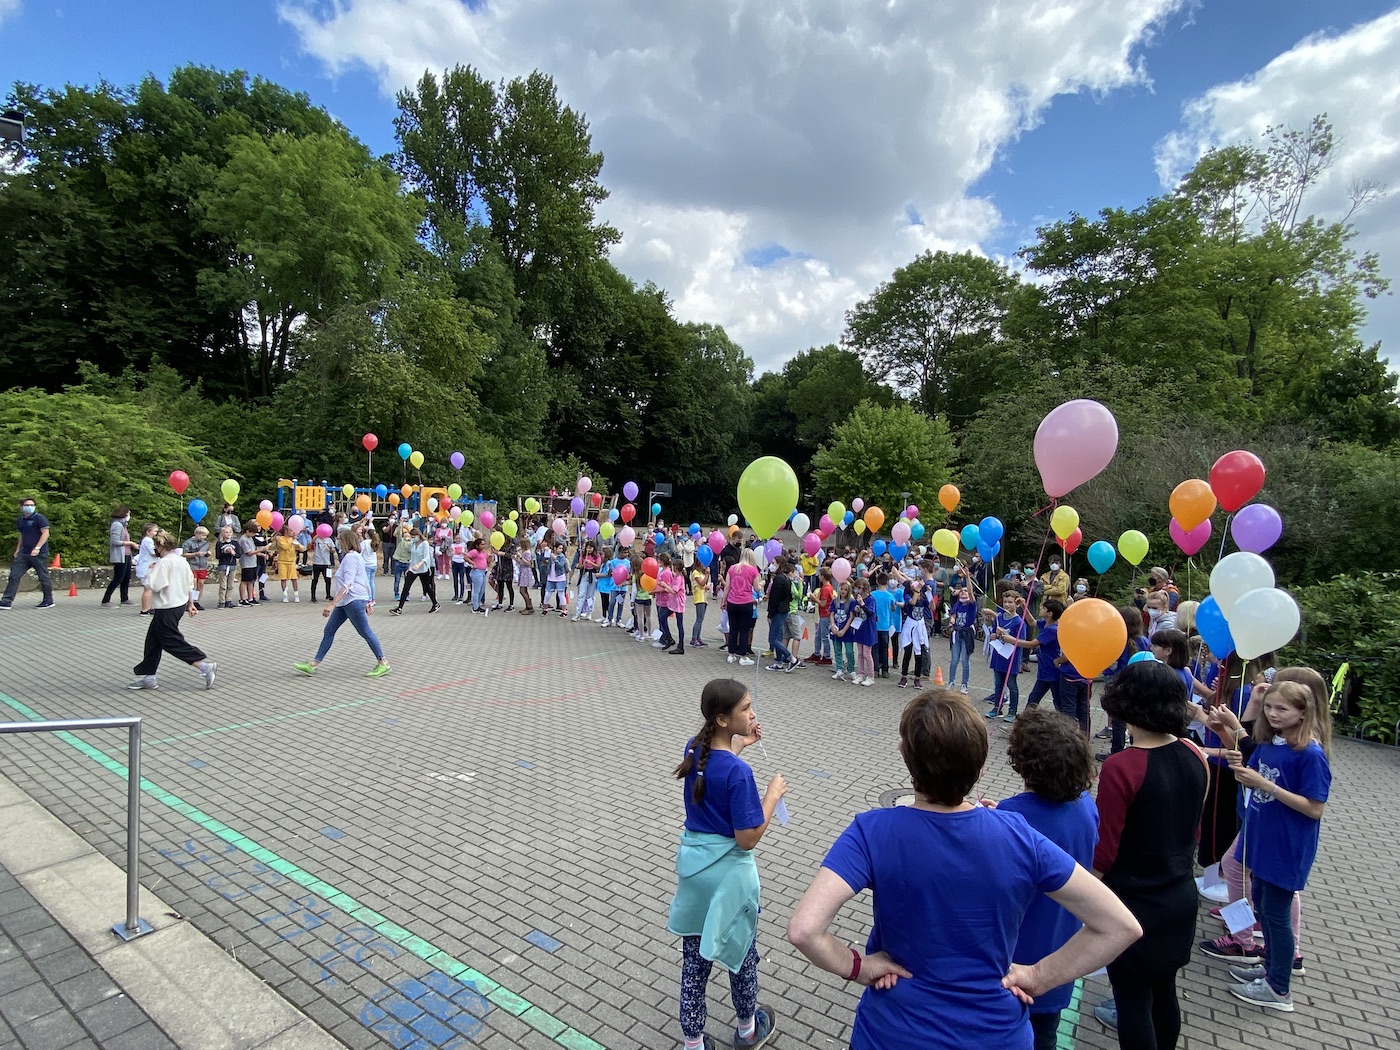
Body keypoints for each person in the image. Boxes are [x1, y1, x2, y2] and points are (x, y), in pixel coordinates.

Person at [786, 689, 1140, 1050]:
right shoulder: (1019, 836)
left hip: (896, 1031)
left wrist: (858, 967)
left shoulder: (871, 831)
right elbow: (1120, 926)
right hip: (995, 1034)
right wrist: (1039, 976)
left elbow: (804, 930)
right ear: (982, 766)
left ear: (904, 755)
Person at [667, 679, 787, 1050]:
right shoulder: (739, 774)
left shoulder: (695, 747)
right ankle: (748, 1030)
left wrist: (741, 745)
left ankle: (693, 1043)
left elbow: (718, 761)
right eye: (746, 708)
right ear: (722, 719)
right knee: (741, 954)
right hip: (730, 876)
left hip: (695, 869)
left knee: (694, 961)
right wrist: (772, 796)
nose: (753, 714)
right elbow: (747, 837)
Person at [1094, 661, 1208, 1050]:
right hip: (1179, 894)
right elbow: (1192, 829)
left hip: (1133, 902)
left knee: (1131, 1002)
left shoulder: (1120, 767)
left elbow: (1105, 850)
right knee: (1164, 991)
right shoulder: (1195, 754)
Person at [1219, 679, 1331, 1013]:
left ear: (1302, 712)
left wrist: (1266, 784)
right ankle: (1270, 970)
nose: (1273, 714)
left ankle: (1279, 987)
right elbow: (1254, 776)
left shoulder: (1309, 754)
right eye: (1269, 707)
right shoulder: (1270, 743)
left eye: (1281, 708)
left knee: (1277, 916)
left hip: (1286, 846)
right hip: (1260, 839)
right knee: (1264, 908)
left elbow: (1314, 807)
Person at [997, 709, 1100, 1050]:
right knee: (1046, 1035)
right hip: (1061, 951)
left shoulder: (1011, 818)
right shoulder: (1086, 805)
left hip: (1016, 957)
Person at [294, 529, 390, 679]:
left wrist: (332, 603)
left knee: (365, 632)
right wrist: (367, 599)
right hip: (347, 602)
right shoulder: (353, 557)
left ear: (346, 541)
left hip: (352, 601)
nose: (338, 541)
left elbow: (348, 584)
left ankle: (383, 662)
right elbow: (363, 580)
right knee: (329, 631)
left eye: (339, 539)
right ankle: (313, 664)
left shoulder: (351, 558)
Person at [128, 530, 217, 691]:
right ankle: (149, 676)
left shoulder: (165, 563)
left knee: (170, 640)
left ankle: (204, 666)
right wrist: (191, 603)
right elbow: (189, 583)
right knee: (153, 641)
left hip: (167, 606)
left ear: (161, 546)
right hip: (179, 604)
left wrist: (150, 571)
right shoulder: (181, 560)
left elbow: (154, 585)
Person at [987, 590, 1028, 719]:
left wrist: (1007, 636)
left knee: (1011, 684)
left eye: (1010, 602)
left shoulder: (1019, 622)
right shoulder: (999, 618)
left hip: (1011, 658)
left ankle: (1012, 710)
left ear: (1016, 604)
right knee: (998, 683)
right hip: (999, 656)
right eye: (1005, 602)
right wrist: (993, 635)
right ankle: (997, 708)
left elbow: (1022, 641)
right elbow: (993, 635)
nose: (1007, 605)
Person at [723, 549, 760, 666]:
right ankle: (743, 656)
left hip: (732, 602)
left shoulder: (732, 568)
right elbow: (757, 588)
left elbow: (727, 587)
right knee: (744, 630)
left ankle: (731, 654)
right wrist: (761, 584)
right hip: (746, 602)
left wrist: (724, 601)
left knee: (733, 628)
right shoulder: (753, 570)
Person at [391, 529, 439, 614]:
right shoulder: (413, 544)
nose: (413, 539)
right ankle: (399, 608)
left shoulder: (425, 544)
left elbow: (426, 557)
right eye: (411, 537)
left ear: (418, 535)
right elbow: (412, 557)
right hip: (413, 569)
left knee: (427, 587)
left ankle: (435, 603)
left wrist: (419, 564)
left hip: (423, 569)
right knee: (406, 587)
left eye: (414, 537)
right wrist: (410, 568)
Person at [100, 505, 139, 608]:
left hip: (126, 554)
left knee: (126, 577)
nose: (129, 516)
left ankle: (124, 598)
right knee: (118, 578)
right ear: (124, 514)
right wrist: (130, 543)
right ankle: (106, 600)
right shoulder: (117, 525)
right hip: (120, 555)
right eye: (129, 514)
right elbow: (115, 541)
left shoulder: (123, 525)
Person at [764, 557, 797, 672]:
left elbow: (775, 598)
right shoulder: (785, 578)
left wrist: (770, 614)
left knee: (773, 639)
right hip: (783, 610)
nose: (771, 565)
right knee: (778, 636)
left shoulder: (779, 579)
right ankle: (778, 662)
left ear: (779, 564)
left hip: (778, 611)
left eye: (773, 563)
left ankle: (791, 658)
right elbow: (789, 596)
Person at [898, 578, 931, 689]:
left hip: (920, 626)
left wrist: (929, 593)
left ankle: (917, 678)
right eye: (912, 583)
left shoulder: (923, 596)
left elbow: (932, 607)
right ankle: (903, 676)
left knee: (919, 653)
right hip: (910, 625)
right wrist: (917, 590)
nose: (914, 583)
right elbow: (912, 602)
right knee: (907, 652)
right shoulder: (907, 595)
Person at [946, 585, 978, 694]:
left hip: (967, 634)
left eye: (966, 591)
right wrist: (952, 620)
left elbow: (971, 594)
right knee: (954, 660)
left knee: (965, 661)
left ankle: (964, 684)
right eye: (962, 591)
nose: (964, 592)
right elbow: (953, 615)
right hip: (957, 633)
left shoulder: (971, 605)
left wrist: (968, 577)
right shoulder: (957, 604)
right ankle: (951, 682)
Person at [829, 579, 857, 683]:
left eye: (846, 589)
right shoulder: (835, 600)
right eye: (842, 589)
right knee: (837, 650)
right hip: (835, 629)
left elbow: (851, 617)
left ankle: (851, 669)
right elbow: (831, 613)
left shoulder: (851, 602)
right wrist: (833, 626)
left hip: (847, 631)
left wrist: (844, 630)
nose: (843, 591)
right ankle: (839, 669)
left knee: (849, 651)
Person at [181, 526, 211, 611]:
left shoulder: (205, 543)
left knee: (201, 584)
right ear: (197, 534)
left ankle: (196, 601)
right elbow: (184, 554)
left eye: (205, 536)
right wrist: (195, 554)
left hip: (202, 565)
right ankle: (189, 602)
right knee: (193, 584)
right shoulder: (188, 542)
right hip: (192, 565)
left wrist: (207, 554)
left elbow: (206, 552)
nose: (204, 538)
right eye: (203, 535)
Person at [272, 524, 305, 603]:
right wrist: (292, 541)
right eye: (291, 530)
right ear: (286, 531)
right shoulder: (281, 539)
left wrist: (297, 544)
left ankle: (296, 595)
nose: (292, 532)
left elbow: (302, 549)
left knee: (294, 579)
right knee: (283, 579)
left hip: (292, 562)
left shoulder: (293, 540)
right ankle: (285, 595)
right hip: (282, 561)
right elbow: (285, 547)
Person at [133, 522, 160, 614]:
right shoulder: (148, 540)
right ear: (148, 532)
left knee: (149, 588)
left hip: (147, 566)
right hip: (146, 568)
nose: (156, 533)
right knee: (147, 588)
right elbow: (153, 552)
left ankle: (148, 607)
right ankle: (145, 609)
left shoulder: (147, 540)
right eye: (155, 531)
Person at [309, 527, 338, 602]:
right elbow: (312, 542)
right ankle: (313, 596)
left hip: (326, 562)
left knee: (328, 579)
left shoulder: (329, 540)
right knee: (315, 580)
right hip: (317, 562)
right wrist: (318, 534)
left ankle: (328, 595)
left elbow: (333, 550)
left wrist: (330, 548)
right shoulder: (317, 539)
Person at [689, 562, 710, 648]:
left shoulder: (702, 573)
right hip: (699, 598)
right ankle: (694, 639)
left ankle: (698, 637)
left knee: (701, 619)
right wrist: (707, 574)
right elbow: (701, 583)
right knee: (699, 618)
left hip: (704, 597)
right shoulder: (695, 573)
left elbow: (703, 585)